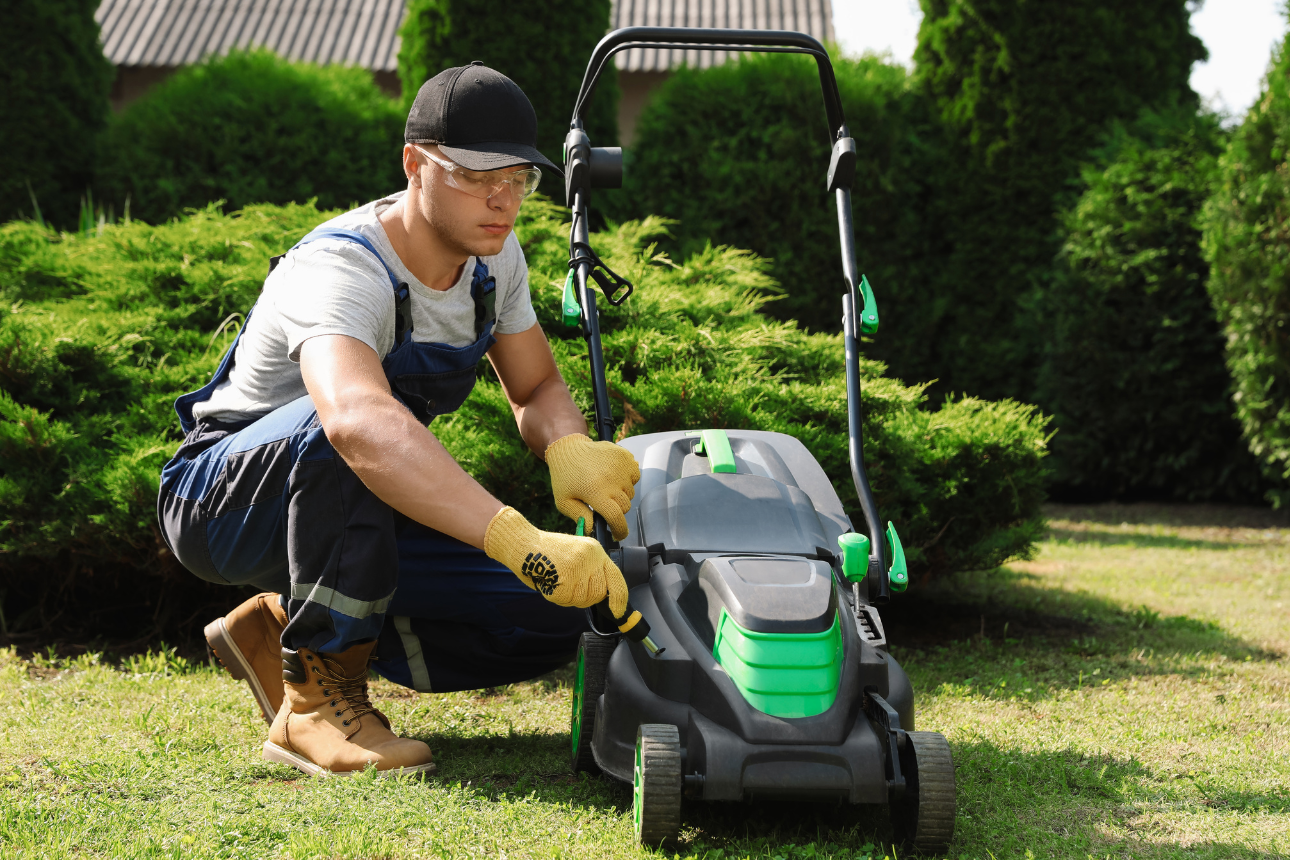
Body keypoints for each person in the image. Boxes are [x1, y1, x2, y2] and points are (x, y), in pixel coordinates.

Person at [156, 63, 639, 778]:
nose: (502, 199)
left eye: (518, 179)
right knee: (352, 434)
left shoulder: (494, 259)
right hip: (219, 500)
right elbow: (355, 420)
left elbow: (534, 383)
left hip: (356, 503)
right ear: (415, 164)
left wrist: (568, 445)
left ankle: (285, 629)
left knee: (557, 613)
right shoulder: (342, 268)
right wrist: (516, 538)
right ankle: (317, 703)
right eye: (477, 176)